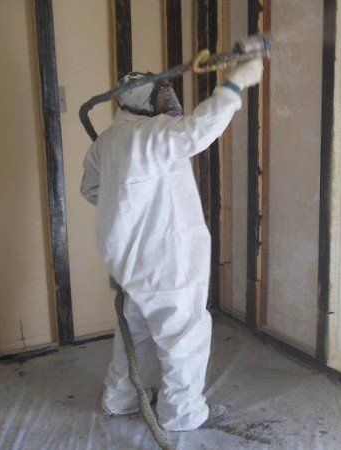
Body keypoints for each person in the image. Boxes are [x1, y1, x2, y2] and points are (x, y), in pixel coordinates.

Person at [80, 58, 263, 431]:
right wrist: (234, 85)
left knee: (136, 330)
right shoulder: (153, 134)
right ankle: (181, 414)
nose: (170, 98)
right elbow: (199, 129)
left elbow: (91, 189)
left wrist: (128, 206)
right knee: (182, 334)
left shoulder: (107, 141)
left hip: (128, 259)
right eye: (163, 91)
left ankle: (121, 399)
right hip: (167, 260)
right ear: (144, 100)